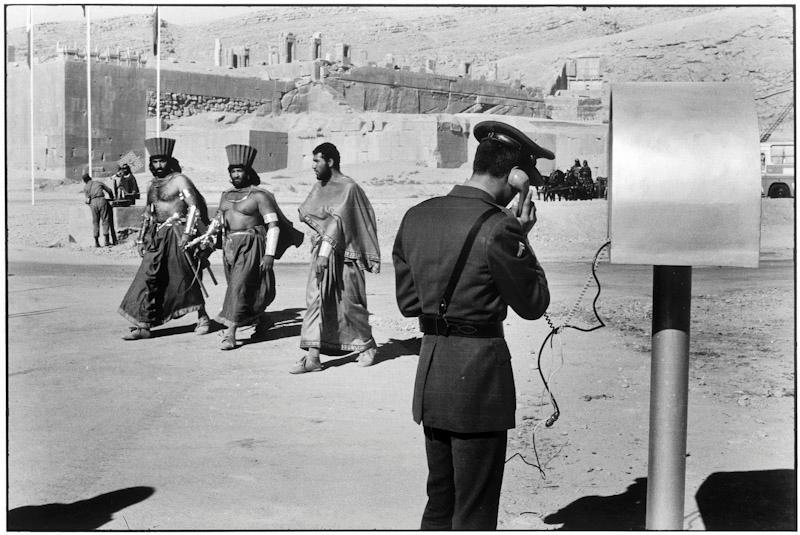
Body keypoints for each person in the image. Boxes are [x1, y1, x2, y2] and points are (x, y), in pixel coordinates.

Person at [392, 120, 551, 530]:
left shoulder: (415, 216)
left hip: (432, 375)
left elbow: (410, 303)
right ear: (516, 177)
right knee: (475, 508)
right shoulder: (499, 228)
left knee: (440, 499)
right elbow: (534, 304)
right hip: (478, 380)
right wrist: (523, 237)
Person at [290, 142, 380, 373]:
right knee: (316, 302)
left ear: (330, 161)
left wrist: (324, 252)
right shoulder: (320, 186)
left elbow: (338, 221)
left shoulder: (349, 187)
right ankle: (313, 357)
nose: (313, 166)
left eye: (316, 161)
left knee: (349, 303)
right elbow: (312, 214)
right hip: (322, 254)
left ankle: (367, 346)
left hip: (344, 254)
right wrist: (319, 249)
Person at [204, 144, 304, 350]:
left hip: (253, 245)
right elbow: (217, 220)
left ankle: (230, 333)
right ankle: (263, 319)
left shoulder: (259, 196)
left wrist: (269, 254)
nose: (236, 174)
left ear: (248, 172)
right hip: (231, 246)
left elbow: (273, 225)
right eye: (233, 171)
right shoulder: (225, 195)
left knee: (237, 287)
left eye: (239, 170)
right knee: (241, 288)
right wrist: (206, 240)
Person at [117, 137, 212, 340]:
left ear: (169, 161)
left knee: (186, 276)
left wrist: (187, 234)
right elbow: (149, 213)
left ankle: (202, 317)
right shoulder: (152, 185)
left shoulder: (180, 180)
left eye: (162, 161)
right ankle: (144, 325)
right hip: (158, 236)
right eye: (155, 161)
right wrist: (142, 239)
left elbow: (194, 207)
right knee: (148, 277)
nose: (158, 165)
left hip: (179, 233)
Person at [81, 171, 115, 247]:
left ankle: (96, 242)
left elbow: (87, 200)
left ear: (84, 181)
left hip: (93, 203)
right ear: (90, 178)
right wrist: (112, 197)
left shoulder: (86, 187)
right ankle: (106, 241)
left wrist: (91, 204)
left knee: (95, 222)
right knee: (105, 220)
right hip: (102, 200)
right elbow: (109, 190)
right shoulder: (98, 182)